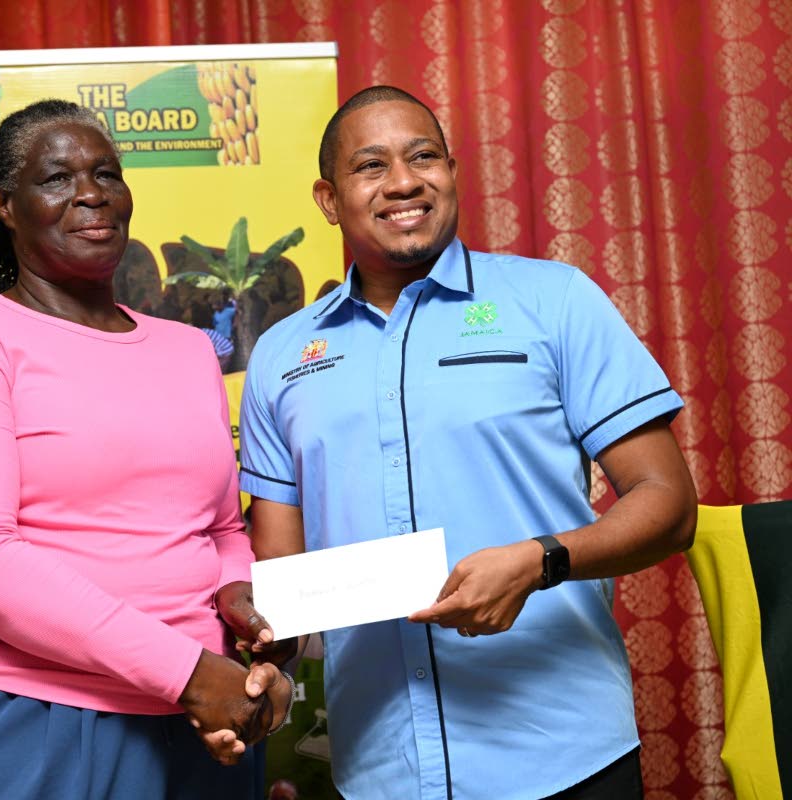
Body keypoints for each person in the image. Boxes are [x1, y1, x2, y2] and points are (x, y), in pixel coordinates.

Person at [236, 86, 698, 800]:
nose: (403, 181)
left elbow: (668, 504)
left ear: (451, 171)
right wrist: (271, 668)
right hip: (379, 766)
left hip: (562, 753)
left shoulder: (554, 301)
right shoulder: (281, 355)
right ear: (329, 199)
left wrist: (539, 561)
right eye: (371, 165)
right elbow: (282, 572)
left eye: (424, 157)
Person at [0, 99, 291, 799]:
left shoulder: (184, 350)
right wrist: (185, 671)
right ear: (6, 206)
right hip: (36, 712)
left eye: (106, 172)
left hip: (209, 714)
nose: (90, 192)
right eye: (57, 177)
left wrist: (238, 593)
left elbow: (220, 527)